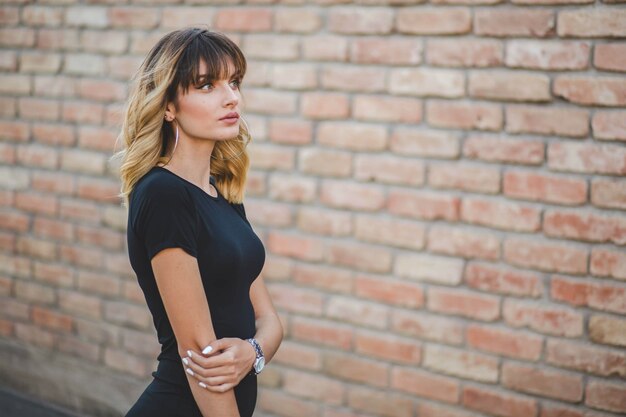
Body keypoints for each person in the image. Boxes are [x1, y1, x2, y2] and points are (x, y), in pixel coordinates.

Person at [113, 27, 284, 417]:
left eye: (234, 82)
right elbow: (201, 358)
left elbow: (270, 320)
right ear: (168, 106)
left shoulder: (221, 195)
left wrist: (252, 353)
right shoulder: (163, 195)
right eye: (207, 85)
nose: (231, 97)